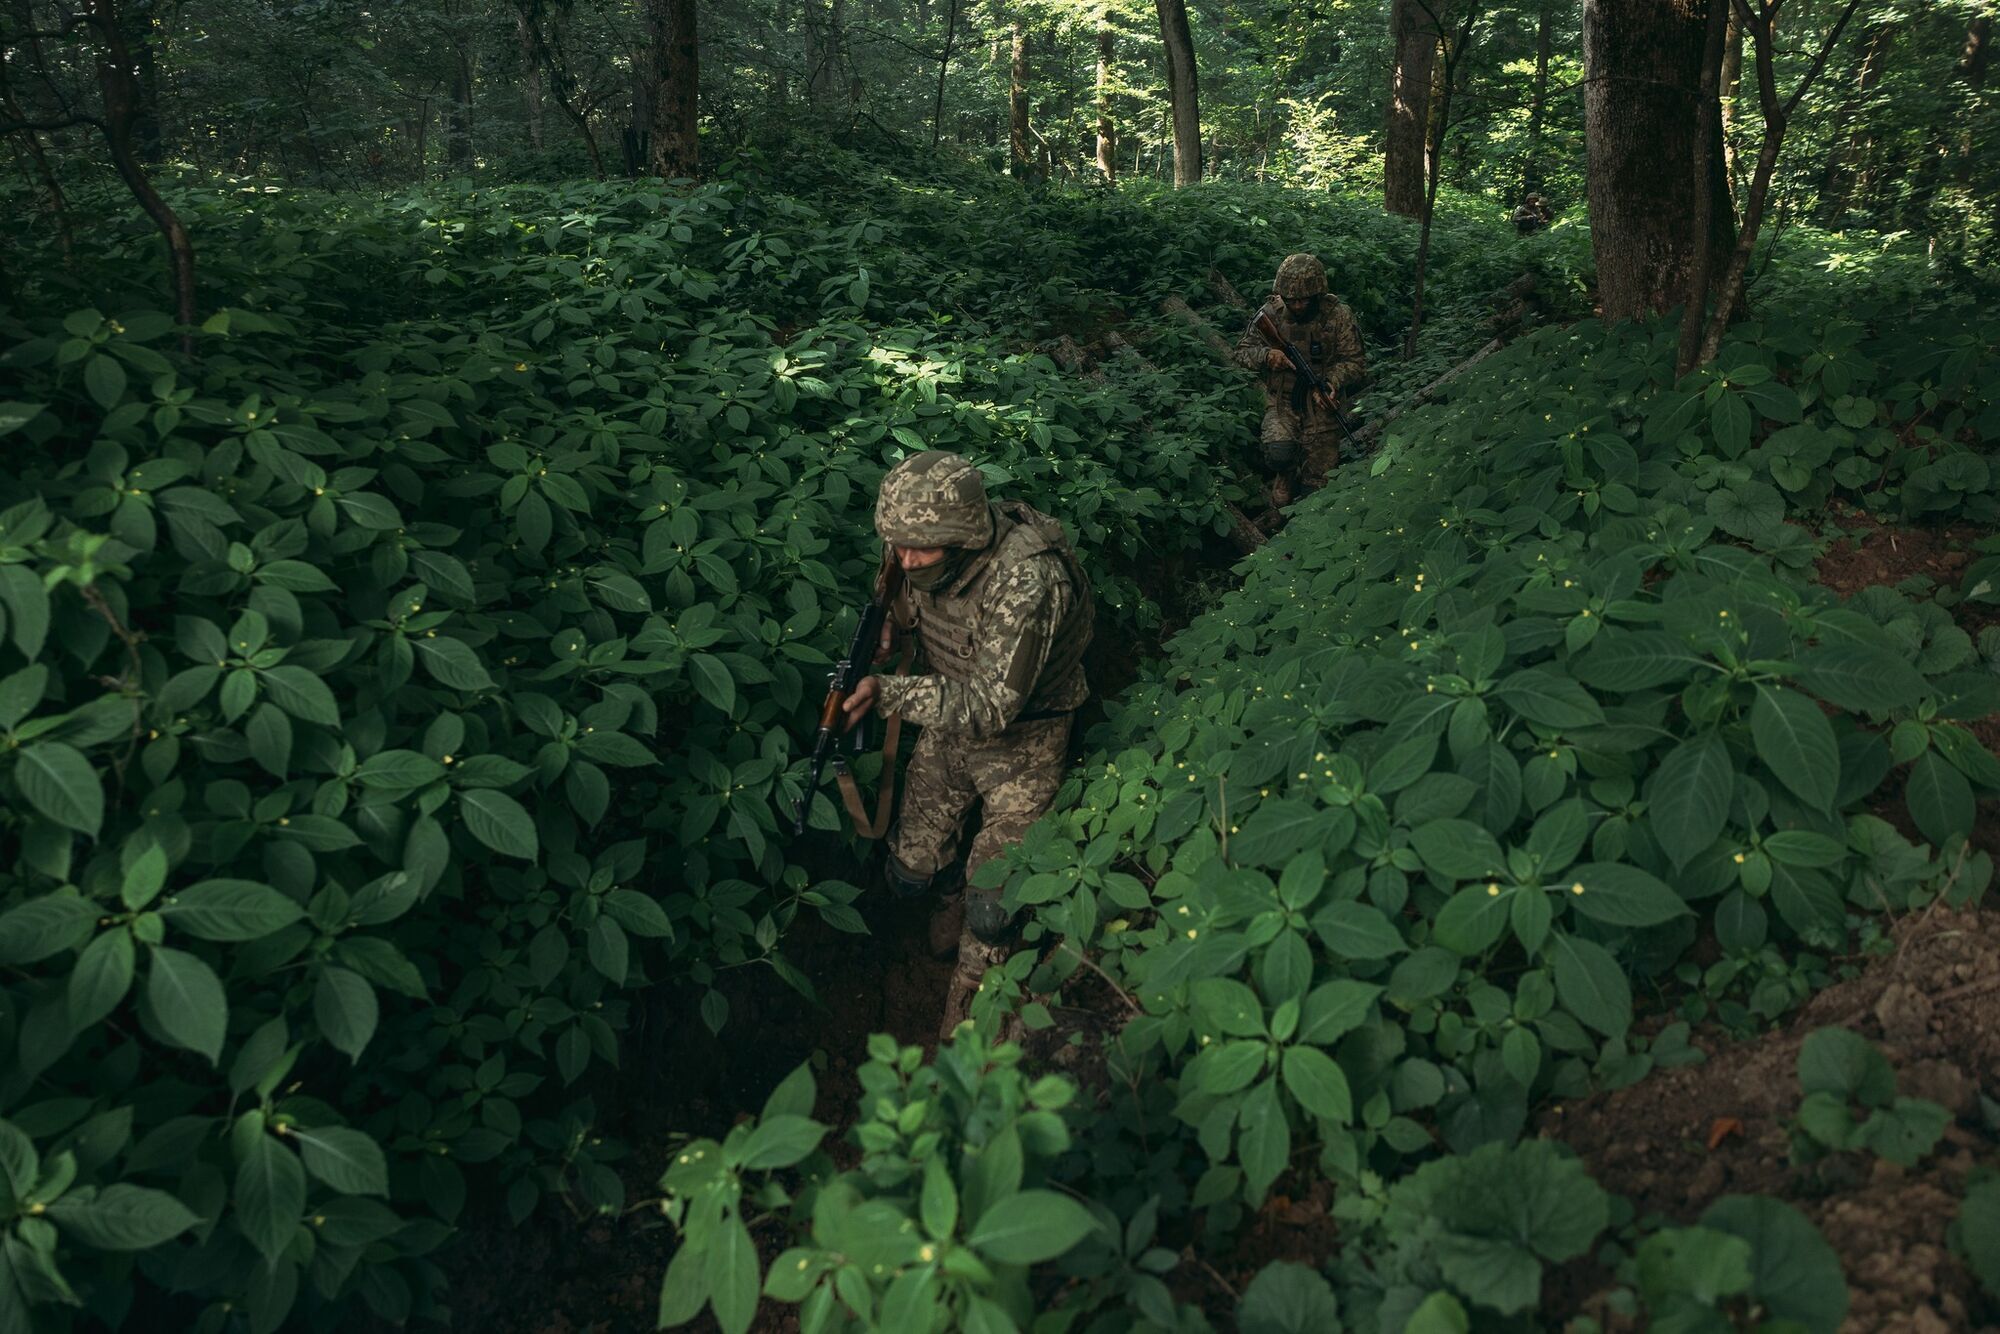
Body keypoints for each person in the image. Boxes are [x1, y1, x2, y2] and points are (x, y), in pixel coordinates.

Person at [841, 451, 1094, 1039]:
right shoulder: (919, 540)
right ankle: (947, 888)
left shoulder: (1026, 579)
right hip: (949, 712)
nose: (905, 559)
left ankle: (967, 1044)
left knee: (993, 917)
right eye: (896, 544)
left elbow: (991, 707)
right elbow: (903, 587)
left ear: (963, 542)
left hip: (1027, 732)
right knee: (908, 870)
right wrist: (892, 621)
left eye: (919, 551)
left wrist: (891, 694)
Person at [1232, 253, 1365, 507]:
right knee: (1279, 453)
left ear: (1317, 293)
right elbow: (1240, 353)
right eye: (1291, 300)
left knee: (1318, 488)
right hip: (1283, 402)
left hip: (1322, 405)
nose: (1298, 305)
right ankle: (1286, 472)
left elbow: (1356, 362)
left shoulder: (1338, 315)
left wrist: (1332, 381)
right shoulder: (1270, 313)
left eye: (1304, 300)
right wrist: (1267, 355)